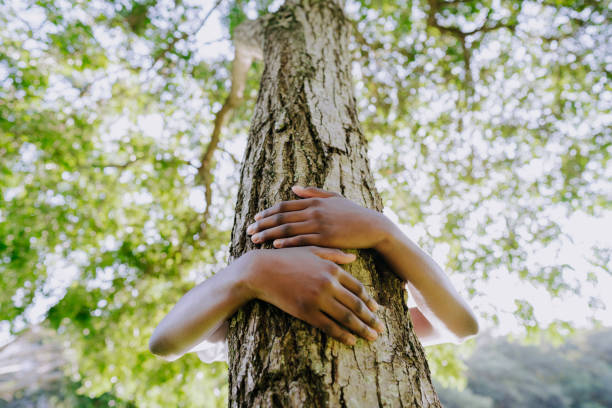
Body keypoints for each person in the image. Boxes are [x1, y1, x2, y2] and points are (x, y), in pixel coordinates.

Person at [149, 186, 479, 362]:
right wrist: (252, 270)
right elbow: (166, 342)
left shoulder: (379, 316)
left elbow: (461, 326)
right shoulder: (232, 315)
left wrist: (386, 233)